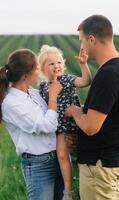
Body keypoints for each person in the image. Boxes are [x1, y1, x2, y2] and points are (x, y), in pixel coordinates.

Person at [65, 15, 119, 200]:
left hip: (98, 167)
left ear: (91, 39)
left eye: (82, 41)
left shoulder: (109, 74)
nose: (82, 47)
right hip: (104, 164)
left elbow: (90, 126)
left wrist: (74, 111)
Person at [0, 48, 64, 200]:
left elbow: (53, 116)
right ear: (26, 75)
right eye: (36, 68)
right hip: (39, 165)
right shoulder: (11, 103)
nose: (39, 70)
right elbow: (46, 125)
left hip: (56, 157)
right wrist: (53, 97)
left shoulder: (32, 92)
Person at [37, 45, 92, 200]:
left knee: (62, 154)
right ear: (42, 69)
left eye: (59, 62)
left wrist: (83, 64)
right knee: (55, 157)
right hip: (51, 126)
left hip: (64, 125)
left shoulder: (66, 80)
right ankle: (59, 185)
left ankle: (68, 192)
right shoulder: (42, 87)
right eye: (51, 64)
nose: (57, 66)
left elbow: (86, 81)